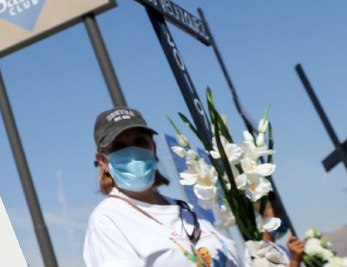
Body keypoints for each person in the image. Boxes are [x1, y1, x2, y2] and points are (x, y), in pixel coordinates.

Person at [83, 107, 243, 266]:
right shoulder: (107, 220)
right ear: (102, 161)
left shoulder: (186, 209)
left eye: (140, 142)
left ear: (153, 148)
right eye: (119, 146)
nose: (133, 152)